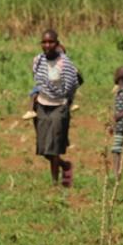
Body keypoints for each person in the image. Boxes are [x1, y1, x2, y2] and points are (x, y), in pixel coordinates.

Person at [31, 29, 80, 186]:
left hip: (59, 106)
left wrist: (67, 101)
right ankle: (65, 165)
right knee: (44, 148)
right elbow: (38, 82)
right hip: (41, 105)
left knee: (54, 147)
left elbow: (74, 83)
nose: (47, 45)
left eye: (51, 42)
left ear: (57, 44)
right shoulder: (38, 61)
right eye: (44, 42)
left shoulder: (65, 64)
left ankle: (55, 183)